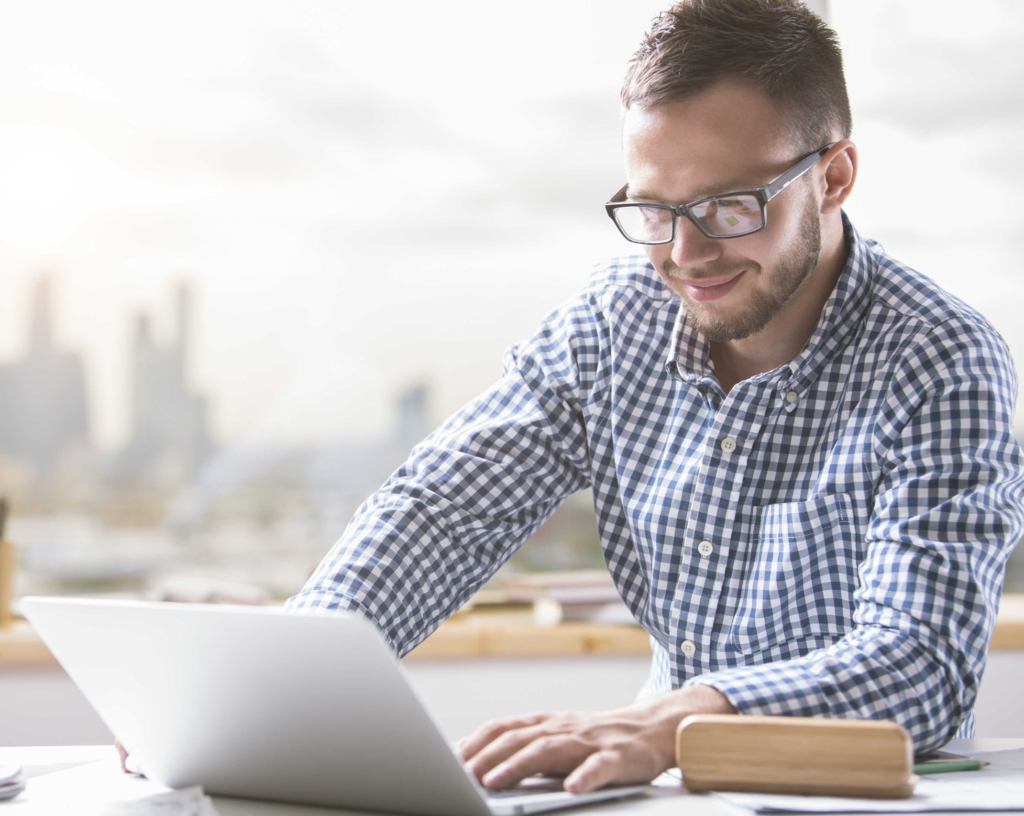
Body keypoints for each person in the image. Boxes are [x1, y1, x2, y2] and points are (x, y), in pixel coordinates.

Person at [284, 0, 1024, 795]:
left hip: (860, 796)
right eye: (654, 210)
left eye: (729, 206)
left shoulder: (940, 358)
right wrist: (284, 681)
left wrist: (671, 723)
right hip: (666, 791)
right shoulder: (616, 322)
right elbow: (441, 513)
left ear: (834, 177)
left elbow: (919, 660)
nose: (685, 253)